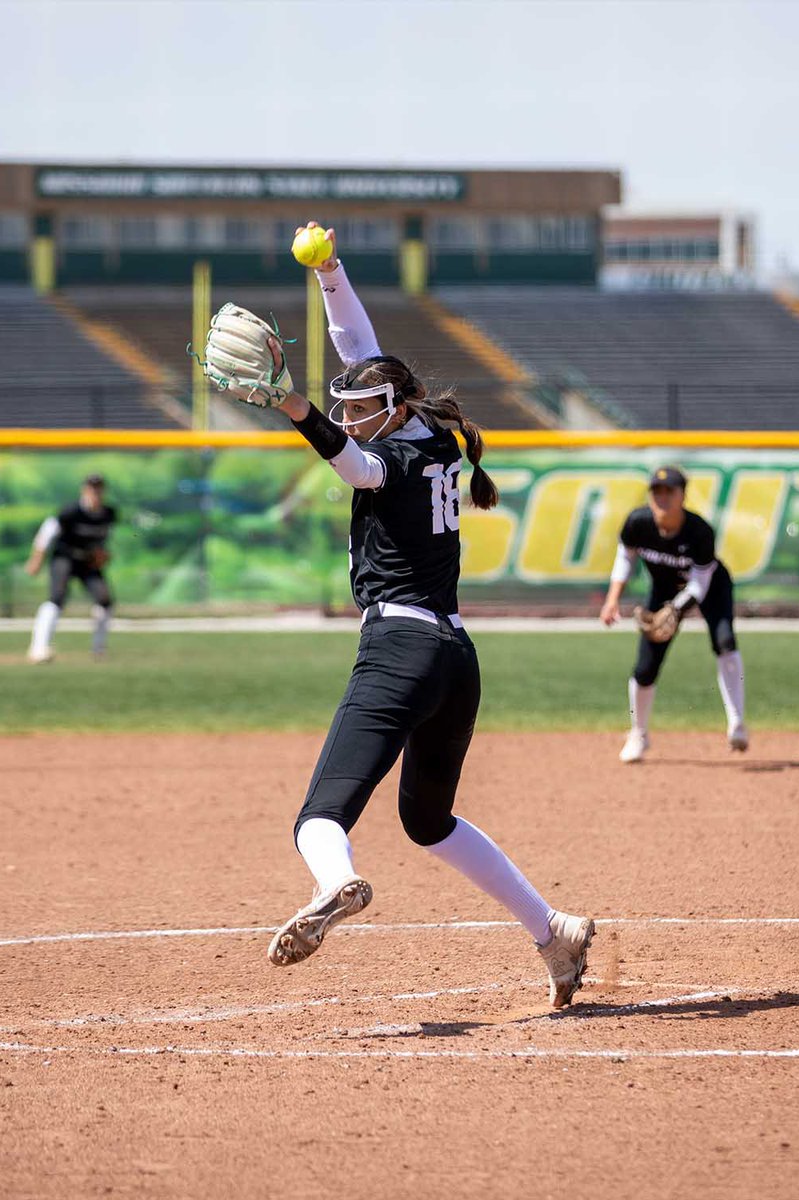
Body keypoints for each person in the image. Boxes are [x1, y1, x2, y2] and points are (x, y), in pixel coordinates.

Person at [265, 223, 595, 1008]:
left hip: (401, 649)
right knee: (427, 818)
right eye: (343, 407)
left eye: (360, 407)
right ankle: (555, 935)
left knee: (321, 817)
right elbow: (359, 349)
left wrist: (289, 403)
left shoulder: (396, 458)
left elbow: (348, 460)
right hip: (455, 659)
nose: (348, 417)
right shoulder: (436, 435)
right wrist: (331, 273)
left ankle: (337, 885)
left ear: (395, 405)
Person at [600, 466, 748, 763]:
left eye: (670, 491)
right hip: (663, 588)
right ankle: (638, 734)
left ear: (683, 495)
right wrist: (612, 599)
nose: (663, 497)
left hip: (711, 587)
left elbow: (700, 583)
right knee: (645, 668)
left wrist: (675, 611)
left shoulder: (699, 531)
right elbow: (625, 558)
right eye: (657, 491)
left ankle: (737, 723)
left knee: (725, 642)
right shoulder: (638, 522)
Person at [24, 473, 116, 664]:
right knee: (57, 598)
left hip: (87, 561)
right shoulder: (70, 512)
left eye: (99, 489)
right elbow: (46, 534)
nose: (95, 493)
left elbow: (103, 541)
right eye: (92, 489)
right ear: (84, 490)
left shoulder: (108, 513)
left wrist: (102, 555)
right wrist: (36, 560)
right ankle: (38, 648)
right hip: (65, 557)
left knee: (105, 599)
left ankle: (99, 649)